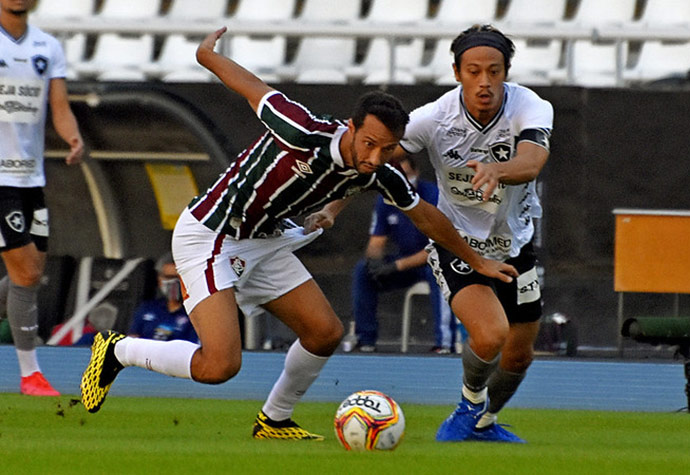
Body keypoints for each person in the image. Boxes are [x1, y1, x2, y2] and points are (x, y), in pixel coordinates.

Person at [80, 27, 517, 440]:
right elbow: (252, 88)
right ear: (351, 127)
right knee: (219, 365)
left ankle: (274, 418)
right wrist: (206, 56)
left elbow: (427, 217)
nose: (375, 156)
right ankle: (118, 350)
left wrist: (476, 261)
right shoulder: (302, 129)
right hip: (211, 234)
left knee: (324, 332)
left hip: (266, 241)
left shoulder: (378, 171)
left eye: (388, 149)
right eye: (369, 143)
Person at [395, 24, 553, 443]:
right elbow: (375, 155)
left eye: (495, 72)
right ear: (457, 72)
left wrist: (497, 169)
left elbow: (533, 161)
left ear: (507, 72)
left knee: (519, 354)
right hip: (459, 244)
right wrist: (334, 203)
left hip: (516, 243)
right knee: (490, 334)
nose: (485, 82)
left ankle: (485, 422)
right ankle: (468, 405)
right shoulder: (432, 118)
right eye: (474, 72)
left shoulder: (530, 106)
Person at [0, 0, 84, 396]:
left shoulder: (47, 46)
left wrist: (72, 136)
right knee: (27, 274)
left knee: (30, 276)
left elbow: (59, 107)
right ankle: (30, 374)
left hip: (30, 178)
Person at [349, 156, 457, 353]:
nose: (403, 180)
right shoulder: (386, 199)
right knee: (362, 272)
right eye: (398, 175)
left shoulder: (433, 196)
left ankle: (444, 344)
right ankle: (365, 340)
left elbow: (441, 247)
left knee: (440, 273)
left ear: (416, 173)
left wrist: (397, 266)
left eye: (406, 175)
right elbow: (376, 241)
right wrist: (374, 262)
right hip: (405, 262)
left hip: (433, 262)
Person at [127, 253, 198, 344]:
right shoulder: (147, 308)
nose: (173, 282)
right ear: (159, 279)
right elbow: (132, 341)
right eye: (168, 277)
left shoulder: (195, 313)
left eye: (177, 278)